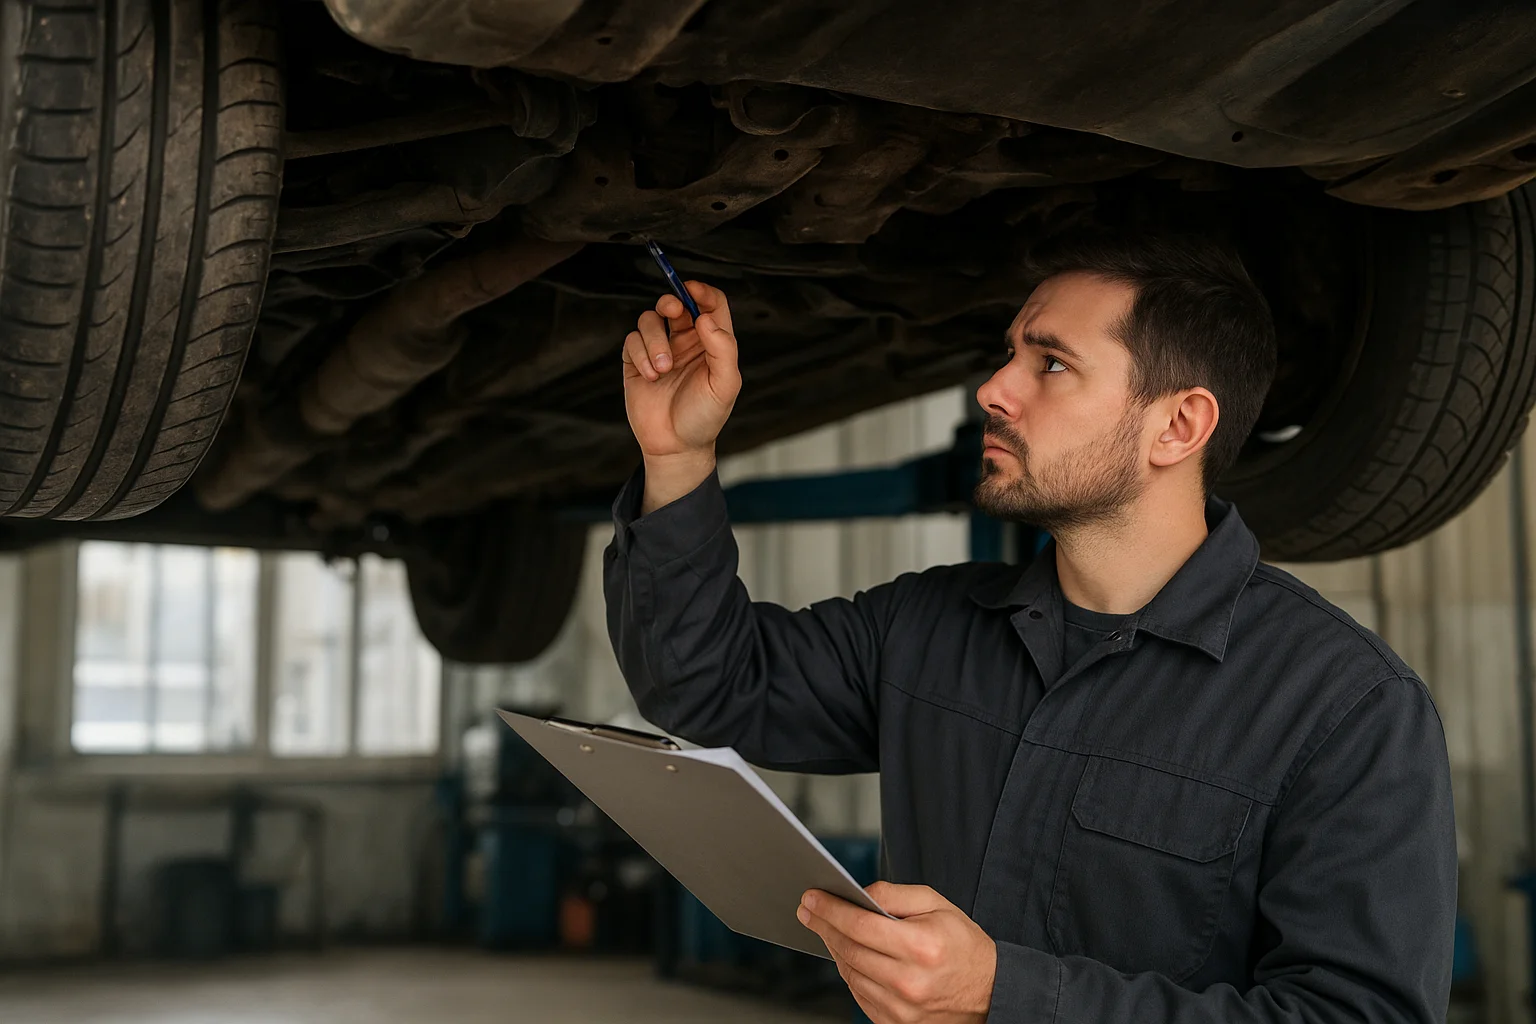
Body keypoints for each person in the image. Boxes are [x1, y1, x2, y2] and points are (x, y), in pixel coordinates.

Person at [604, 233, 1455, 1024]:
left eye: (1050, 363)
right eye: (1013, 351)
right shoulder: (925, 626)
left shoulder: (1345, 710)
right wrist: (676, 459)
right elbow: (708, 681)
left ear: (1178, 426)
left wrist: (1003, 994)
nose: (992, 389)